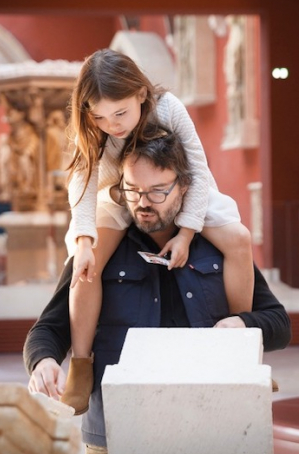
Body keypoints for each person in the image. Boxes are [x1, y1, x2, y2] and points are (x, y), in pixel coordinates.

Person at [24, 131, 291, 453]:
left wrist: (243, 324)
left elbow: (278, 325)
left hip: (212, 425)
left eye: (158, 191)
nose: (144, 203)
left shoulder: (218, 248)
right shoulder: (99, 253)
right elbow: (49, 328)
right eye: (133, 191)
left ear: (184, 187)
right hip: (117, 431)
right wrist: (43, 362)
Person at [63, 48, 254, 414]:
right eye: (100, 116)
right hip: (121, 193)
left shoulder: (168, 108)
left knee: (240, 239)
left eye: (120, 113)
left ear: (140, 94)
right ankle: (81, 366)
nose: (112, 124)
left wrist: (185, 232)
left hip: (181, 189)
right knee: (84, 267)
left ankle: (240, 352)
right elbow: (82, 185)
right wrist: (84, 242)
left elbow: (197, 169)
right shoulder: (94, 130)